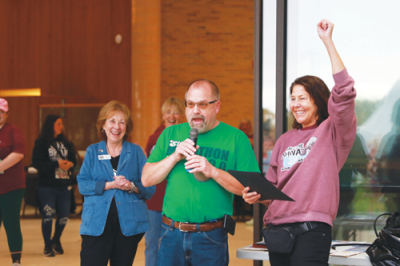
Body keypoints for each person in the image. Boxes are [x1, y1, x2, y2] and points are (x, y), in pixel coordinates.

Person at [243, 19, 357, 266]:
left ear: (318, 101)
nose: (295, 104)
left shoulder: (332, 132)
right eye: (292, 98)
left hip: (312, 228)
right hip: (278, 229)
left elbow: (345, 92)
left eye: (302, 98)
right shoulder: (285, 140)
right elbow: (272, 190)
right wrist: (257, 194)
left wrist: (327, 42)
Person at [142, 79, 259, 266]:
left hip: (210, 237)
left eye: (203, 104)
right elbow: (147, 179)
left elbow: (248, 188)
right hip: (171, 234)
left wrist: (213, 171)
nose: (195, 110)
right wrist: (174, 156)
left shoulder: (236, 138)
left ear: (217, 106)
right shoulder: (170, 134)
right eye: (190, 104)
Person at [77, 100, 155, 266]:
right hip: (96, 223)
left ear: (126, 127)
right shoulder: (92, 151)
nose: (117, 127)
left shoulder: (136, 152)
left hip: (127, 225)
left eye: (122, 122)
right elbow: (83, 185)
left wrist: (132, 186)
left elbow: (149, 187)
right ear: (103, 125)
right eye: (112, 121)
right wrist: (110, 185)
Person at [144, 97, 185, 266]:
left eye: (176, 112)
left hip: (177, 201)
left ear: (182, 115)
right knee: (152, 244)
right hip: (155, 201)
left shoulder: (187, 137)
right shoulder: (155, 138)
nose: (172, 116)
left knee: (177, 246)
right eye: (168, 112)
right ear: (162, 115)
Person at [32, 115, 77, 257]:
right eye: (58, 123)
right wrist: (56, 164)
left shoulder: (66, 143)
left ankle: (56, 240)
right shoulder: (41, 143)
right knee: (48, 215)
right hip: (47, 186)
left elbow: (73, 160)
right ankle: (47, 245)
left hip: (64, 185)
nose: (61, 126)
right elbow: (37, 163)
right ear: (51, 125)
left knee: (64, 216)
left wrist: (70, 164)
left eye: (62, 123)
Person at [0, 98, 26, 266]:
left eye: (1, 112)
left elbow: (19, 153)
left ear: (6, 113)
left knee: (11, 223)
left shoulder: (12, 130)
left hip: (12, 187)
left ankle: (16, 260)